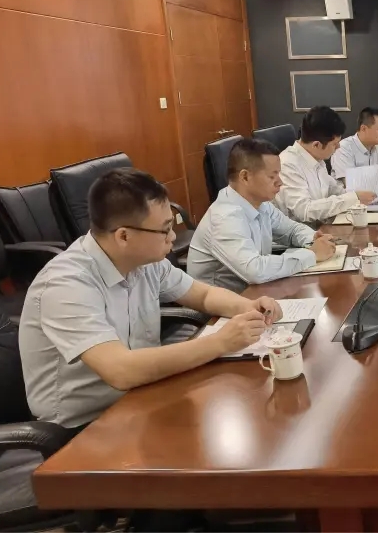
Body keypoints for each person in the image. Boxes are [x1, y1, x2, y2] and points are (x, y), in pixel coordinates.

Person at [19, 168, 282, 430]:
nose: (173, 237)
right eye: (165, 230)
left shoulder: (144, 261)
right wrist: (221, 342)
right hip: (83, 427)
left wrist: (248, 307)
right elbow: (121, 371)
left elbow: (203, 295)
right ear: (124, 236)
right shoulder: (66, 284)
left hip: (142, 396)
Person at [188, 138, 336, 292]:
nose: (280, 182)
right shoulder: (224, 218)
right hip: (224, 302)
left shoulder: (260, 204)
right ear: (245, 177)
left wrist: (314, 238)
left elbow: (291, 230)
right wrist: (311, 254)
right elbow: (255, 271)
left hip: (255, 292)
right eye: (272, 176)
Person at [276, 105, 377, 223]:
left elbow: (334, 189)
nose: (338, 147)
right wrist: (353, 198)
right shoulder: (287, 164)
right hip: (304, 231)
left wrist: (361, 194)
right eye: (334, 144)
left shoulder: (316, 157)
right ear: (316, 145)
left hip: (323, 225)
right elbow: (305, 210)